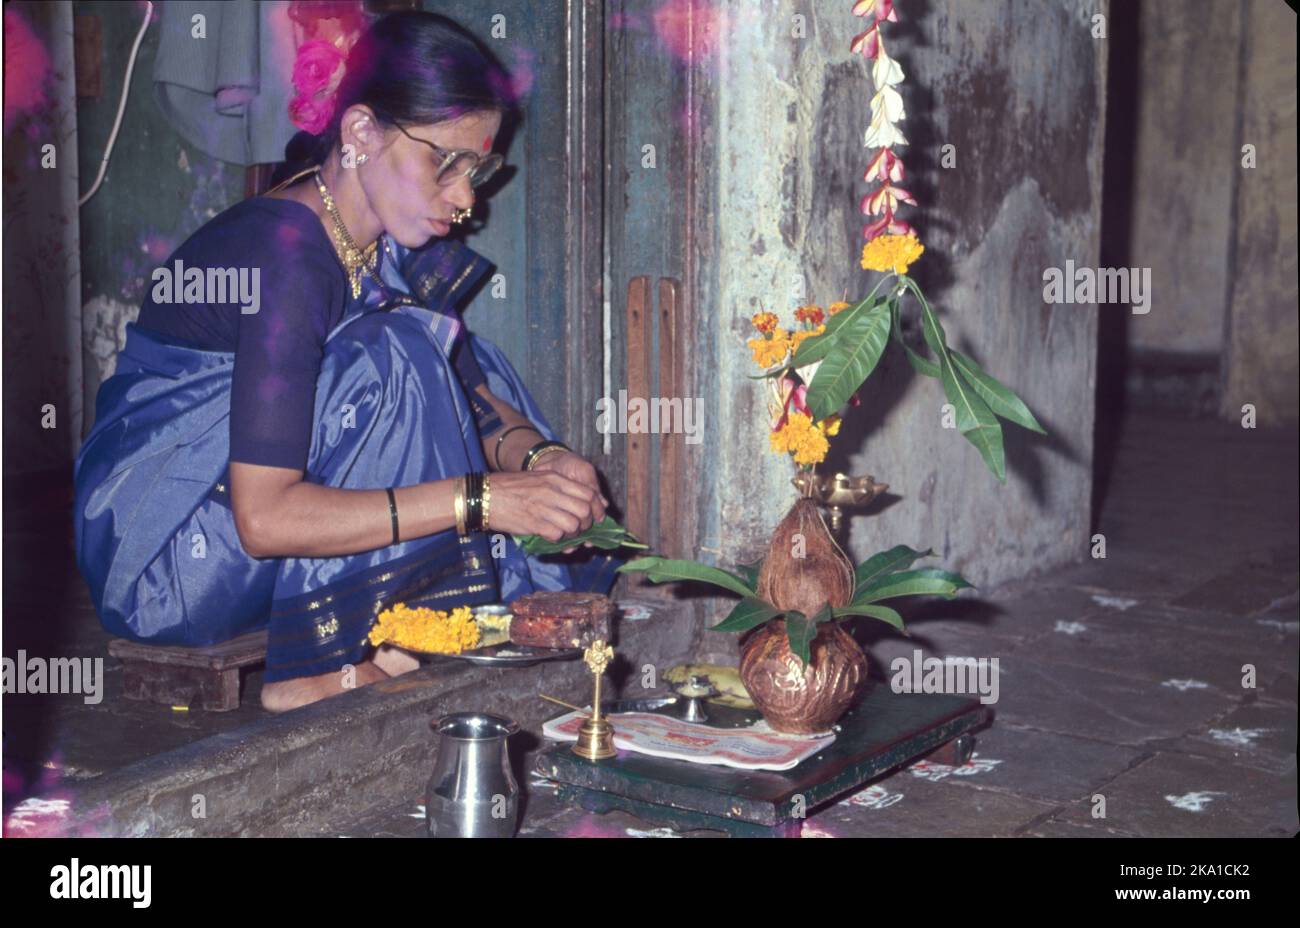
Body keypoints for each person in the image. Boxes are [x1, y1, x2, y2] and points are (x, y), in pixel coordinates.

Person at [74, 11, 622, 712]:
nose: (465, 199)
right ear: (361, 133)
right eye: (444, 162)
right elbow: (264, 521)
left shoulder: (381, 237)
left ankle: (395, 628)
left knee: (454, 351)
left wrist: (538, 459)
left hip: (245, 543)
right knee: (393, 357)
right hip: (169, 563)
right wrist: (483, 501)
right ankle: (316, 669)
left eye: (478, 168)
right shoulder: (286, 257)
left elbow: (468, 391)